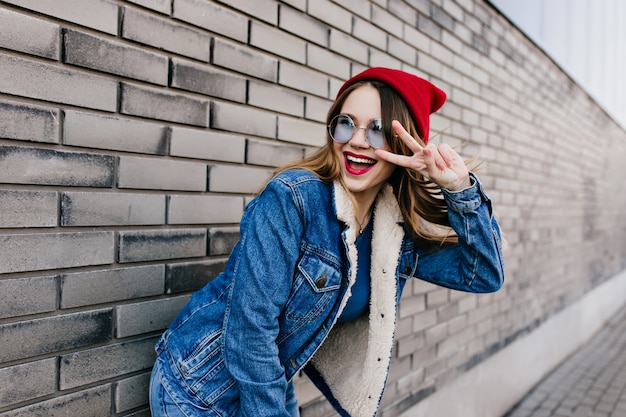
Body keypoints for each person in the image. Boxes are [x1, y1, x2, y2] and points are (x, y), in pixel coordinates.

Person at [149, 67, 505, 417]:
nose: (357, 139)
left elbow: (484, 274)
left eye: (378, 129)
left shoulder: (392, 235)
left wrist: (459, 190)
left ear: (404, 147)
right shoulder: (293, 199)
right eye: (347, 123)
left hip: (271, 377)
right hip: (198, 386)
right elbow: (249, 331)